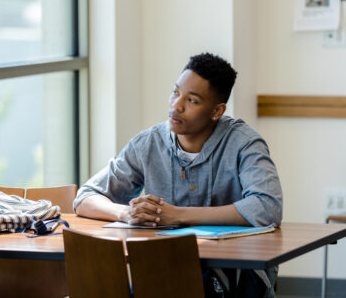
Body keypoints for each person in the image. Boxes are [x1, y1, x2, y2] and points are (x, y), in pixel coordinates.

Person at [73, 52, 283, 298]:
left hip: (235, 272)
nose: (176, 106)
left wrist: (176, 215)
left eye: (192, 100)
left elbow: (267, 207)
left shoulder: (244, 143)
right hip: (165, 271)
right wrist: (126, 213)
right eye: (175, 92)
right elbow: (86, 197)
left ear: (217, 111)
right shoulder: (149, 143)